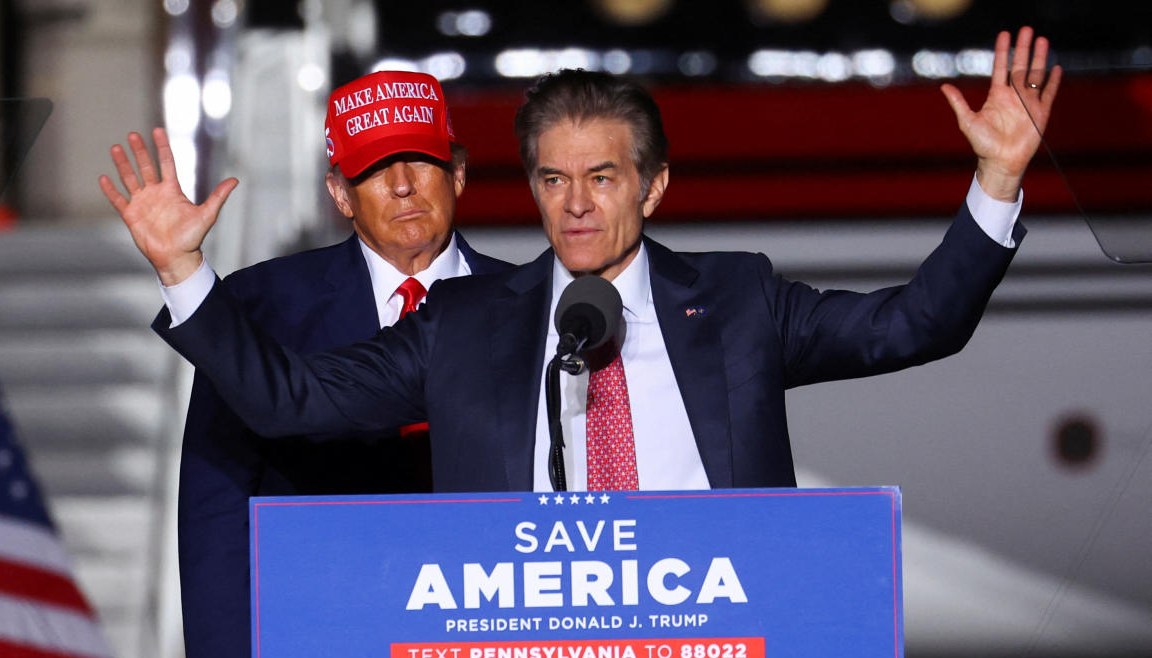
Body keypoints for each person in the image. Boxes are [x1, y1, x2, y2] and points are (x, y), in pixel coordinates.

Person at [147, 27, 1058, 496]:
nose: (575, 204)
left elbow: (916, 323)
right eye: (552, 179)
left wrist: (996, 183)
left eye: (602, 177)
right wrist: (187, 274)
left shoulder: (737, 302)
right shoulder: (466, 325)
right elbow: (289, 400)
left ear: (654, 187)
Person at [100, 71, 508, 658]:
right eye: (375, 170)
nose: (404, 185)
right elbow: (217, 506)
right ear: (340, 193)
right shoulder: (259, 307)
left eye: (420, 161)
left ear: (457, 172)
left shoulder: (538, 306)